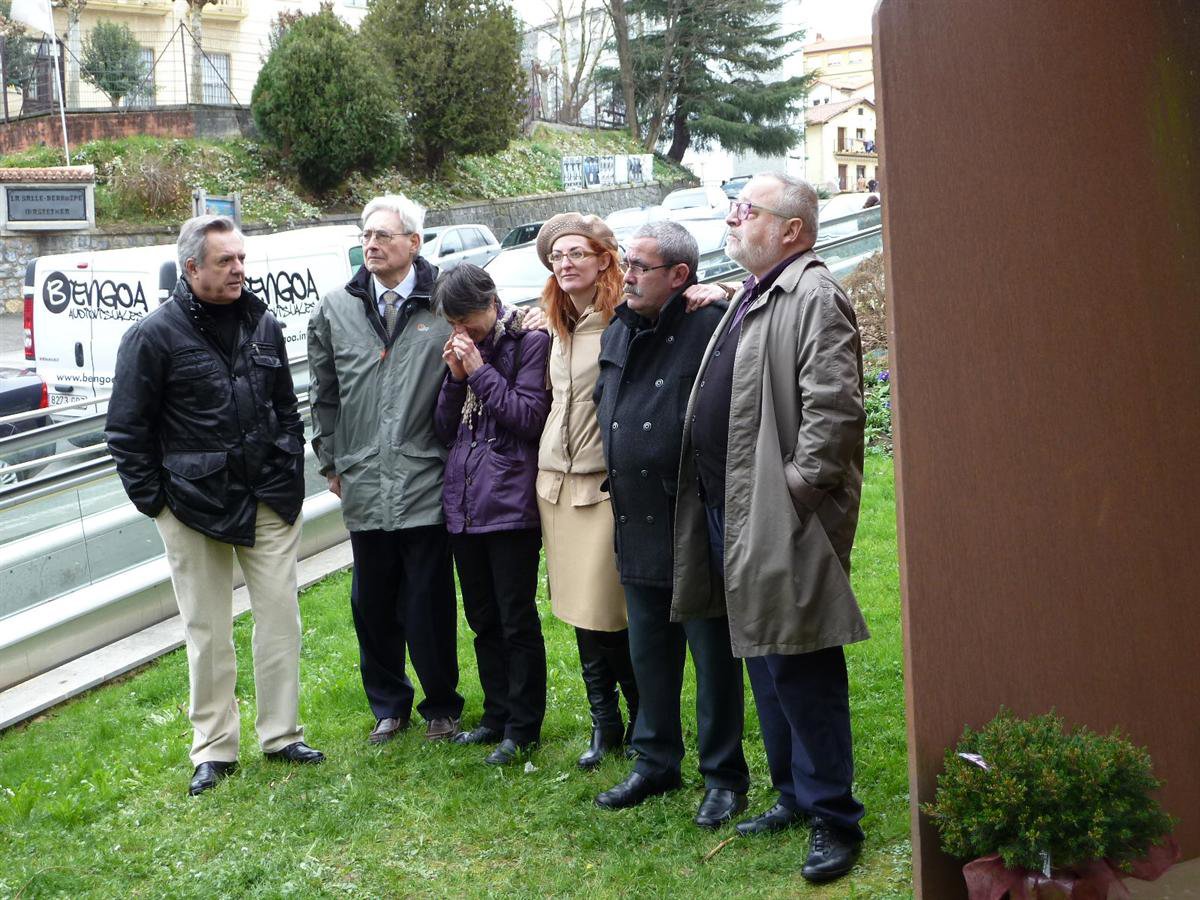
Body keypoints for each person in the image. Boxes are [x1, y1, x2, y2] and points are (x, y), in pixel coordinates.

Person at [675, 173, 871, 883]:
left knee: (801, 661)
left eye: (746, 210)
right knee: (766, 652)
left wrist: (794, 494)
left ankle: (834, 817)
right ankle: (792, 794)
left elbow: (834, 410)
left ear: (791, 229)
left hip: (776, 511)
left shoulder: (813, 294)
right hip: (736, 507)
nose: (733, 220)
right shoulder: (759, 290)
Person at [106, 214, 324, 797]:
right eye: (225, 260)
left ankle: (281, 736)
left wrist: (287, 463)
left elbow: (285, 407)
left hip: (269, 496)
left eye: (241, 258)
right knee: (207, 631)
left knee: (281, 620)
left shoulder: (263, 324)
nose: (238, 269)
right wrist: (158, 505)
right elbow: (126, 432)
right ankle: (214, 749)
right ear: (191, 267)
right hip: (192, 505)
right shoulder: (152, 336)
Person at [591, 221, 750, 828]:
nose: (626, 275)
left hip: (692, 521)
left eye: (640, 266)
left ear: (680, 275)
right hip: (634, 517)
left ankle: (724, 777)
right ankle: (655, 761)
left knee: (712, 658)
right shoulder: (621, 326)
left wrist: (729, 291)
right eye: (626, 262)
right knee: (649, 653)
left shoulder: (712, 326)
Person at [307, 195, 464, 745]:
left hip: (425, 475)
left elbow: (497, 329)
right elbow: (324, 394)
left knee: (428, 602)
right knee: (371, 604)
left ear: (414, 243)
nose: (371, 245)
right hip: (364, 477)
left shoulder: (445, 301)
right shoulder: (336, 308)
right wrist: (330, 460)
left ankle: (441, 706)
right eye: (366, 235)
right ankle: (389, 706)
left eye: (383, 236)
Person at [432, 264, 552, 766]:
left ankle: (523, 726)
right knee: (482, 620)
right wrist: (456, 379)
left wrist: (479, 370)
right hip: (464, 503)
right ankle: (496, 716)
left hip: (509, 504)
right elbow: (444, 430)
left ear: (492, 302)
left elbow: (528, 417)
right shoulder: (465, 351)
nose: (462, 331)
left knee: (515, 619)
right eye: (453, 324)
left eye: (468, 320)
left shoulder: (529, 340)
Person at [533, 213, 638, 769]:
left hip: (601, 485)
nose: (565, 263)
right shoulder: (555, 322)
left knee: (608, 611)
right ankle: (605, 722)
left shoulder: (624, 318)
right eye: (557, 256)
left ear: (603, 259)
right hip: (555, 486)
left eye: (577, 253)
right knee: (578, 610)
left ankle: (643, 715)